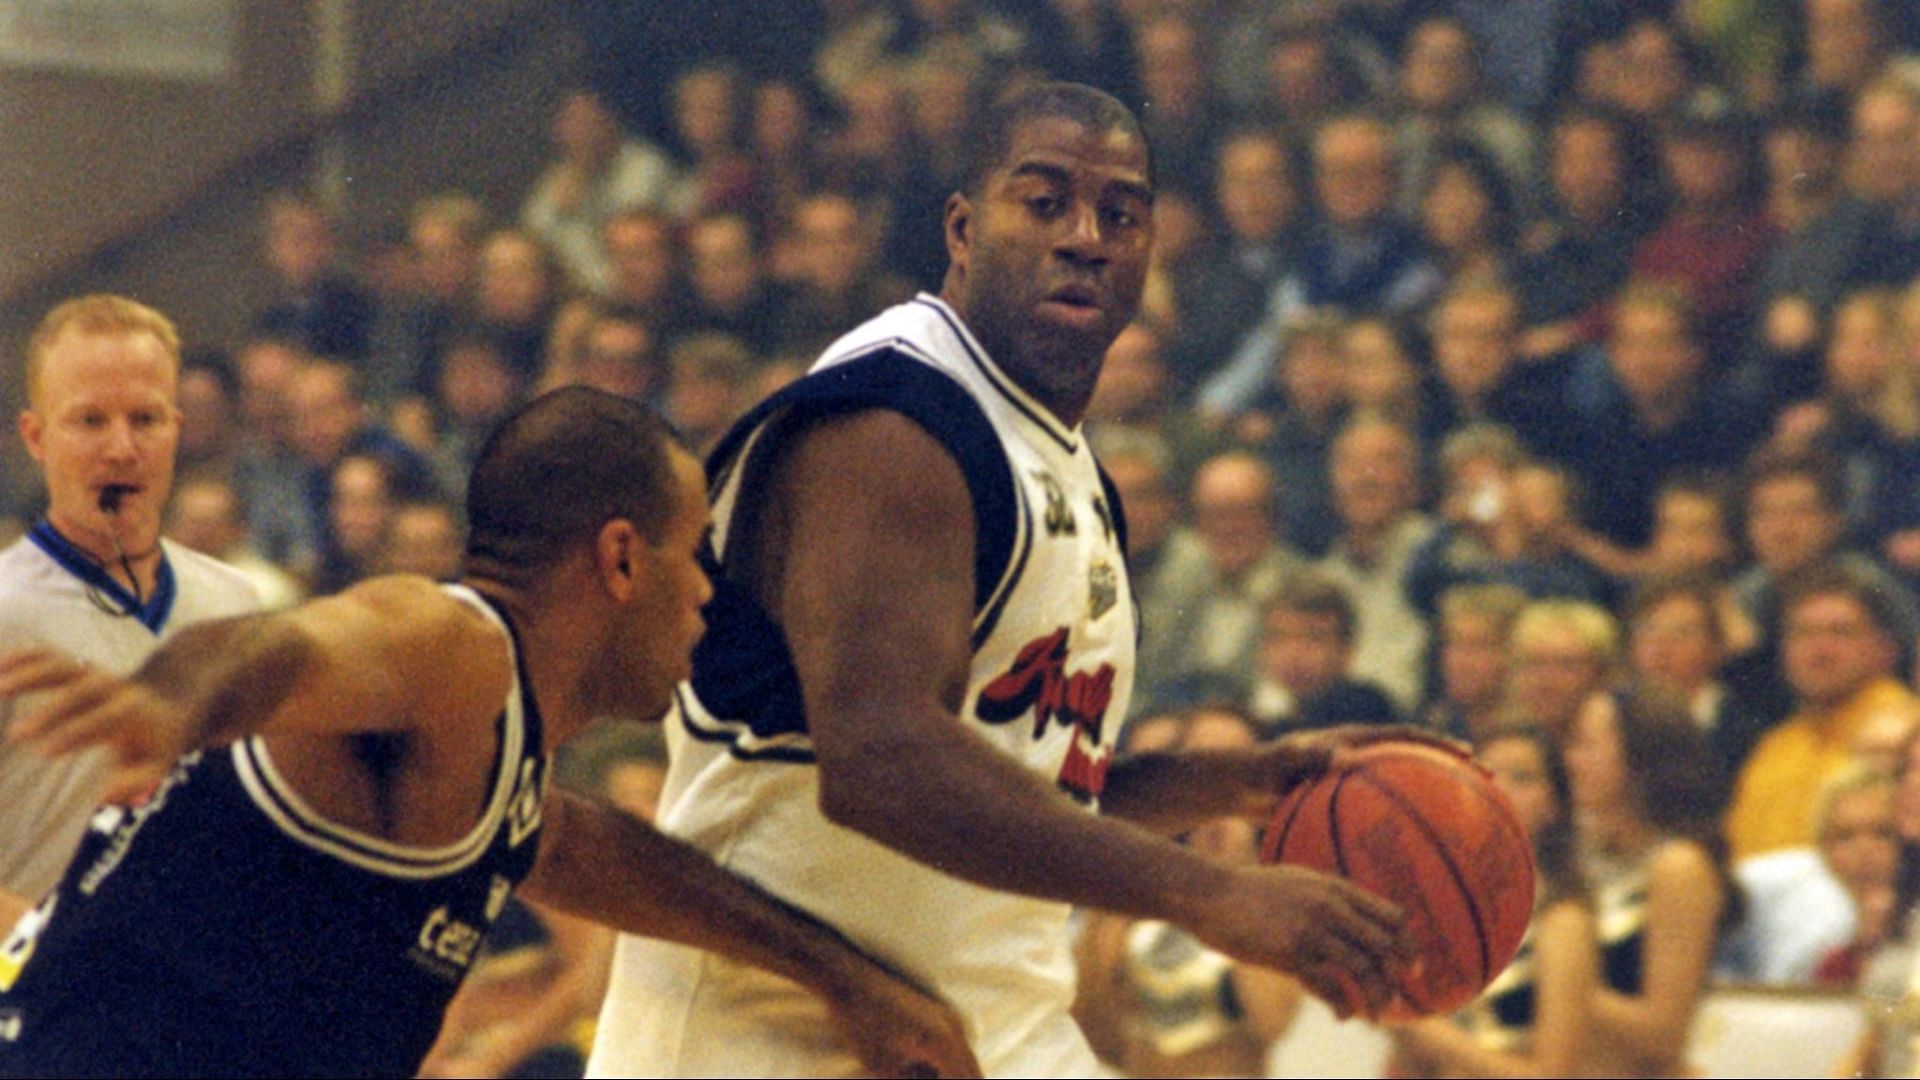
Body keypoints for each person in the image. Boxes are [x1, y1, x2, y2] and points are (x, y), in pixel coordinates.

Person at [589, 82, 1410, 1077]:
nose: (1085, 237)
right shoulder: (894, 423)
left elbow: (1022, 791)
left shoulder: (1065, 465)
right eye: (1045, 200)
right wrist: (1206, 894)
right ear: (964, 228)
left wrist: (1236, 782)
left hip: (990, 1027)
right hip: (779, 1031)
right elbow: (881, 759)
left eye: (1121, 214)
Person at [0, 387, 979, 1078]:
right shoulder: (455, 648)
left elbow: (571, 846)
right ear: (623, 558)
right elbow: (284, 645)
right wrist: (170, 702)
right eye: (697, 556)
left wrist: (844, 979)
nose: (707, 595)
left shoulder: (487, 761)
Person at [0, 296, 263, 927]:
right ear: (35, 437)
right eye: (90, 421)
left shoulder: (238, 604)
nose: (122, 448)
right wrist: (54, 957)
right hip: (36, 1003)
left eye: (144, 419)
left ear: (176, 427)